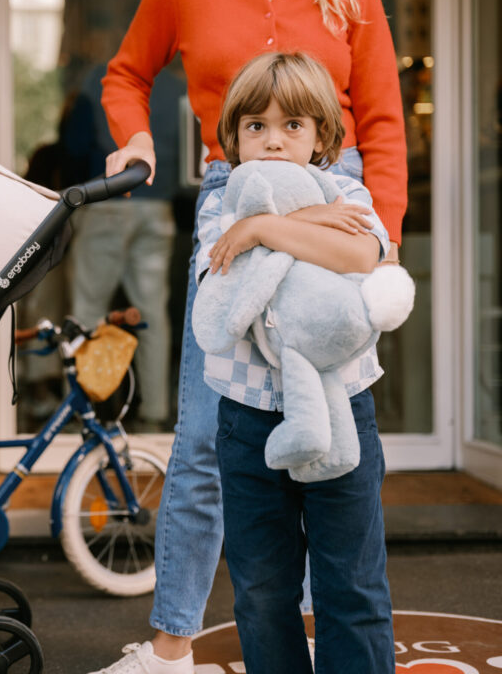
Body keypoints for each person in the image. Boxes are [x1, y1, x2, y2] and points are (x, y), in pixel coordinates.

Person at [90, 0, 406, 671]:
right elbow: (126, 75)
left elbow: (384, 124)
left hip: (337, 198)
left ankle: (314, 636)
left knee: (328, 421)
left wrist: (383, 241)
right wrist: (136, 137)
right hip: (231, 196)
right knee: (208, 435)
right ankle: (173, 648)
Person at [203, 51, 394, 672]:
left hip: (344, 412)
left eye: (292, 125)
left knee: (352, 585)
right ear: (233, 136)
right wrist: (298, 225)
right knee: (261, 593)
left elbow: (361, 257)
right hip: (248, 418)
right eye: (255, 126)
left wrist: (263, 229)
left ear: (322, 136)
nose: (273, 141)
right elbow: (224, 281)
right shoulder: (221, 204)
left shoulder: (348, 192)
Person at [65, 63, 182, 426]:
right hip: (158, 205)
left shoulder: (100, 77)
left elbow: (74, 144)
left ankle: (85, 411)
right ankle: (155, 413)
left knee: (88, 311)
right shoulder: (176, 88)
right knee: (153, 315)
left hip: (108, 203)